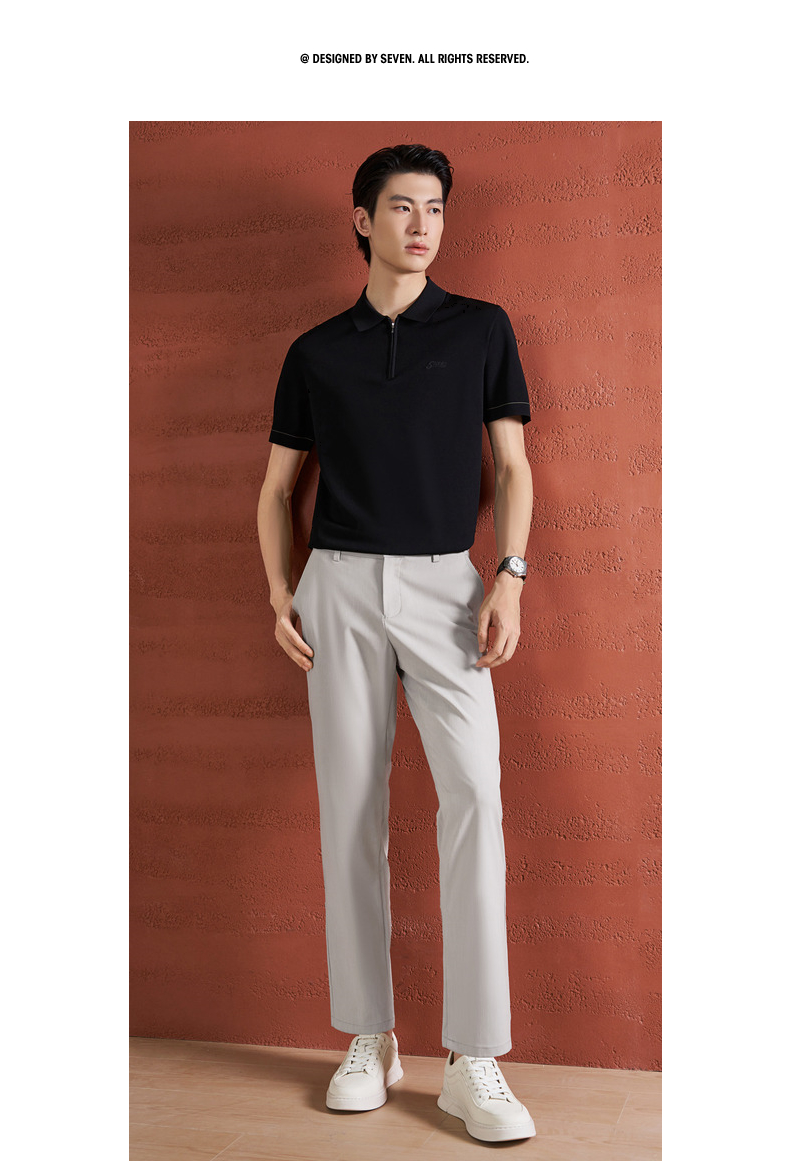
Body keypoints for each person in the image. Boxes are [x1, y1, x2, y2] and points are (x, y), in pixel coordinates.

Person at [257, 143, 536, 1144]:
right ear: (361, 220)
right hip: (336, 584)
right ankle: (369, 1036)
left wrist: (509, 576)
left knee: (475, 795)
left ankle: (474, 1058)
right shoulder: (315, 352)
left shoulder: (481, 330)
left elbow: (512, 467)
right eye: (403, 207)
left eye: (435, 209)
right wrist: (279, 591)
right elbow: (276, 489)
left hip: (447, 585)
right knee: (350, 810)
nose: (422, 224)